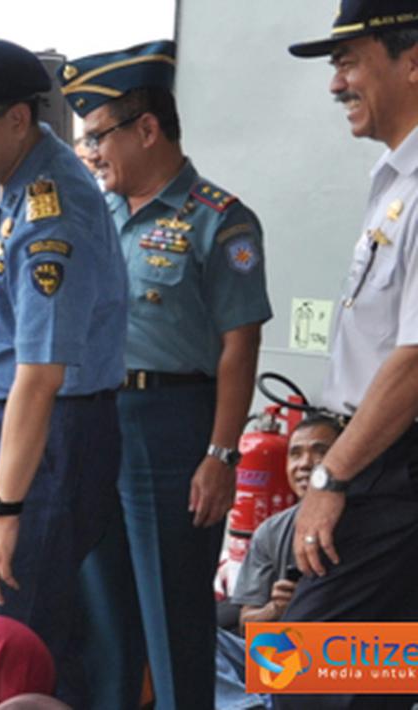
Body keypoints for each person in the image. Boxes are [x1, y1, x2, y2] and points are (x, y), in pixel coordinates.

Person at [57, 40, 273, 710]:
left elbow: (240, 346)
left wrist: (220, 454)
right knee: (102, 618)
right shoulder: (96, 215)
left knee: (174, 616)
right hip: (97, 420)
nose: (90, 153)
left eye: (98, 137)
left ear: (146, 129)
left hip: (174, 429)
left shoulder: (219, 219)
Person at [0, 39, 128, 707]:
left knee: (3, 641)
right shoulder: (5, 179)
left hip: (50, 435)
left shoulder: (49, 211)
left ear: (17, 118)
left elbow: (39, 376)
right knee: (37, 638)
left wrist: (5, 510)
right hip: (20, 430)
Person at [282, 7, 418, 708]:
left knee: (298, 670)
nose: (336, 84)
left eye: (349, 63)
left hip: (389, 463)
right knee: (381, 677)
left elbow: (414, 359)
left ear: (412, 62)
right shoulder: (395, 180)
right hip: (383, 455)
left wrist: (331, 477)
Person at [214, 416, 341, 710]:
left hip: (355, 657)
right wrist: (276, 609)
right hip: (285, 658)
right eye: (295, 454)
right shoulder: (270, 532)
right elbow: (247, 624)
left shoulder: (374, 523)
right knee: (189, 634)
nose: (305, 464)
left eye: (320, 451)